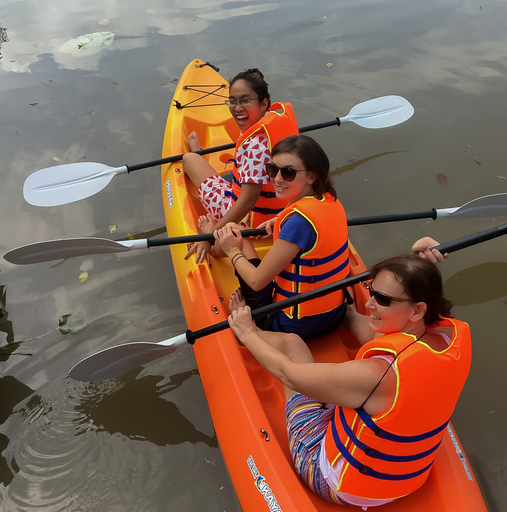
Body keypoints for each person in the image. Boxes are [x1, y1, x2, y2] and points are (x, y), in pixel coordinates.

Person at [227, 254, 471, 506]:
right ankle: (345, 314)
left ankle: (251, 331)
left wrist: (247, 332)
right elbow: (383, 336)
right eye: (371, 291)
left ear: (418, 310)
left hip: (335, 481)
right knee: (358, 329)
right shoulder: (446, 340)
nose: (371, 304)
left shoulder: (375, 374)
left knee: (293, 344)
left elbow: (289, 374)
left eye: (383, 300)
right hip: (407, 481)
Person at [214, 134, 349, 339]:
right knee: (240, 234)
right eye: (272, 169)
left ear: (312, 176)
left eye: (288, 173)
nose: (276, 179)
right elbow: (308, 221)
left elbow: (257, 282)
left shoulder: (298, 223)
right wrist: (279, 217)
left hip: (293, 327)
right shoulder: (330, 200)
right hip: (334, 314)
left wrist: (231, 251)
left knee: (235, 232)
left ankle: (248, 319)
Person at [182, 68, 298, 263]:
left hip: (252, 222)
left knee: (189, 159)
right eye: (233, 101)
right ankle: (202, 157)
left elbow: (246, 202)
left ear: (263, 103)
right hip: (279, 216)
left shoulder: (254, 146)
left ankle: (198, 154)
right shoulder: (278, 123)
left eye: (245, 100)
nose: (237, 108)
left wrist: (210, 237)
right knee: (230, 176)